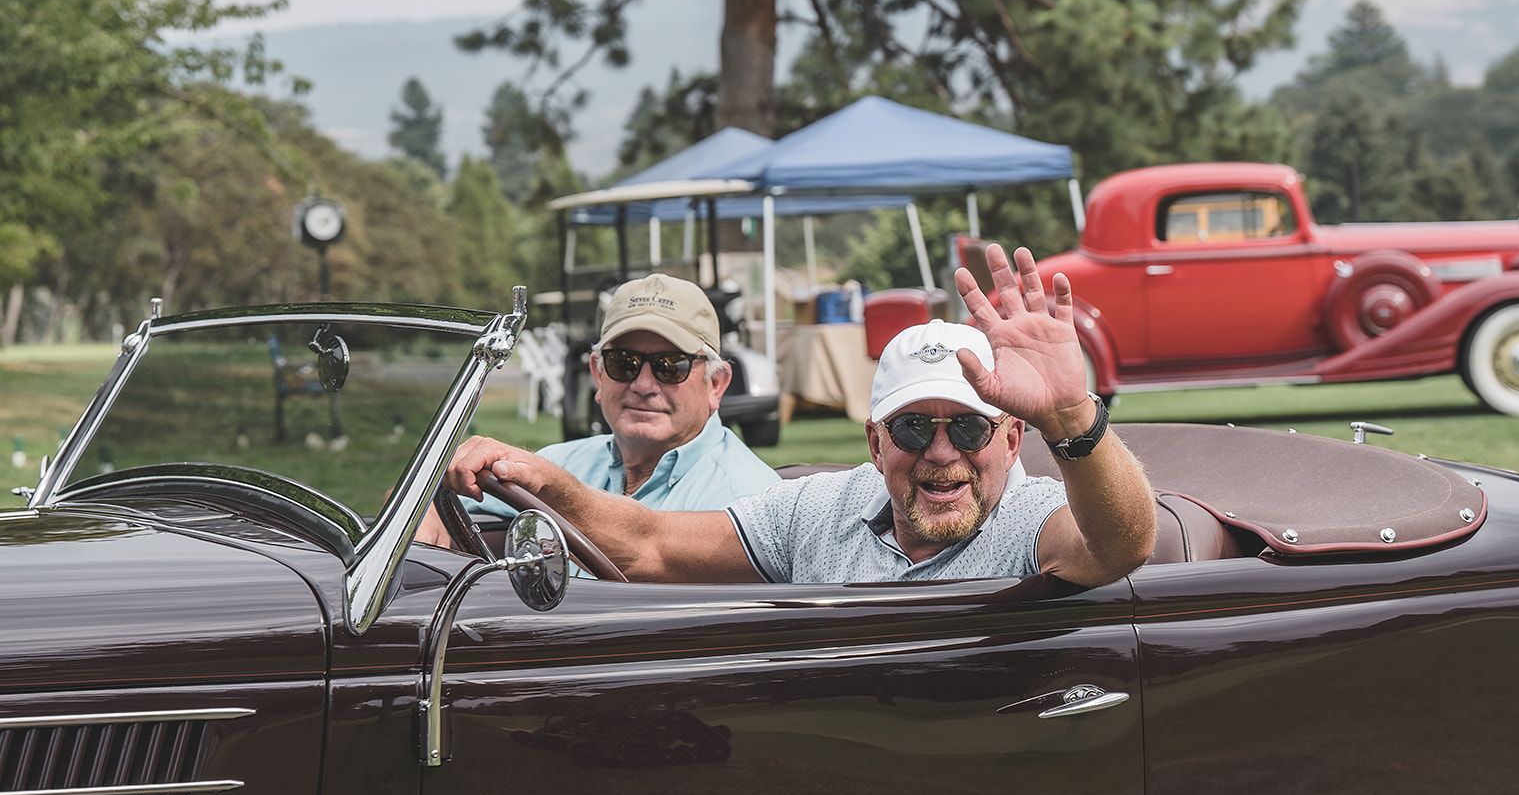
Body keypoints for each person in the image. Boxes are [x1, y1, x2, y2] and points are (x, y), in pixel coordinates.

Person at [443, 243, 1156, 587]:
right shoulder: (821, 509)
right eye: (913, 426)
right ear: (875, 443)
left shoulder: (1028, 518)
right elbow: (650, 544)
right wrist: (546, 481)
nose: (942, 452)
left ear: (1011, 437)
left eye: (968, 427)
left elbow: (1120, 544)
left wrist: (1075, 418)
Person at [417, 272, 778, 547]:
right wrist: (429, 507)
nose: (643, 384)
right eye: (624, 362)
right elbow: (421, 511)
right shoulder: (561, 463)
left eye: (671, 365)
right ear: (598, 374)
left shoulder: (752, 500)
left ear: (716, 384)